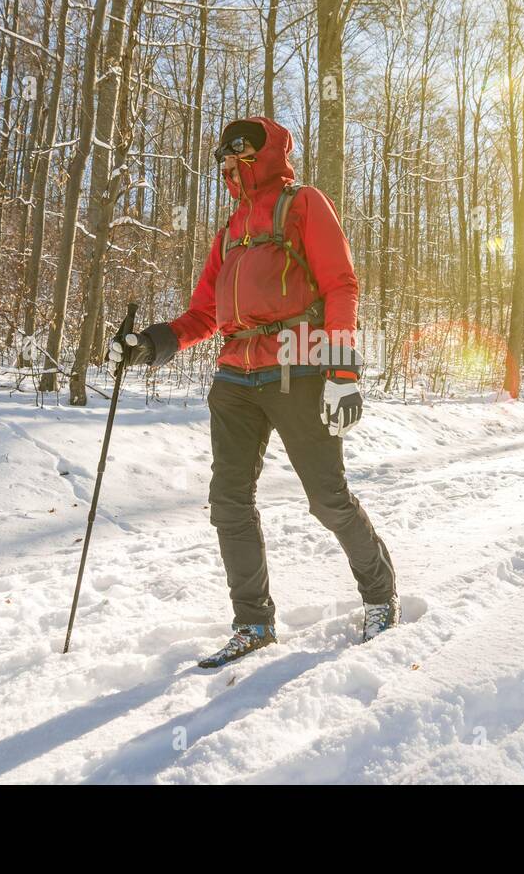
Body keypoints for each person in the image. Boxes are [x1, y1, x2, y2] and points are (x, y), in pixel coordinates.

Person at [109, 115, 399, 669]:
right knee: (229, 502)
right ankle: (253, 622)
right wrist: (152, 344)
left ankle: (381, 595)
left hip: (297, 367)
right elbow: (205, 314)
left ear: (261, 154)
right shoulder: (231, 229)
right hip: (235, 374)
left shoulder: (303, 204)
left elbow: (340, 283)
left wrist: (342, 371)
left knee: (327, 498)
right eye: (224, 155)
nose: (227, 162)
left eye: (238, 153)